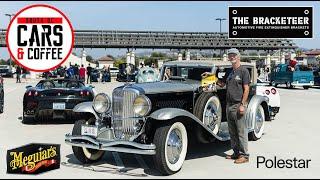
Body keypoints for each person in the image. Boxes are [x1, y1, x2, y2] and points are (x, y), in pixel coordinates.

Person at [223, 48, 250, 164]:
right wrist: (212, 78)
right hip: (229, 105)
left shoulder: (243, 71)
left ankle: (244, 155)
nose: (232, 57)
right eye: (230, 55)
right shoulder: (229, 72)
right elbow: (223, 84)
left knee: (241, 131)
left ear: (238, 56)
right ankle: (236, 153)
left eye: (234, 55)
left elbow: (246, 89)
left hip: (238, 104)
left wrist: (243, 105)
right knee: (232, 131)